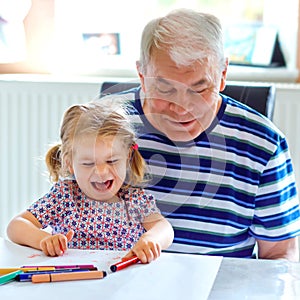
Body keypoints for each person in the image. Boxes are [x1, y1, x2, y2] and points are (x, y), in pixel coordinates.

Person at [99, 8, 300, 261]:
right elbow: (65, 214)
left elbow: (280, 255)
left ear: (222, 75)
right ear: (141, 75)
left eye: (200, 88)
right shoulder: (101, 125)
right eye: (164, 88)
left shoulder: (264, 144)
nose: (182, 107)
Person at [6, 99, 174, 263]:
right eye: (88, 163)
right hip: (72, 282)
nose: (101, 172)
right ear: (70, 164)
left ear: (127, 157)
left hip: (119, 283)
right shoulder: (66, 196)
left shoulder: (134, 200)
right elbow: (16, 226)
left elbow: (164, 228)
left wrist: (151, 239)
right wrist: (43, 239)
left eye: (111, 161)